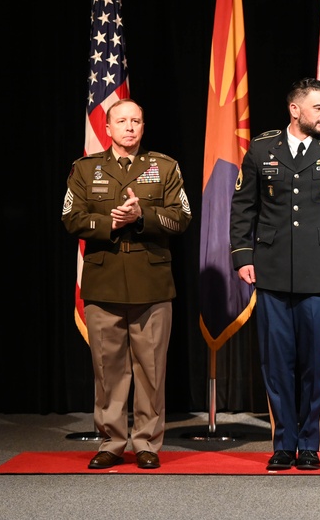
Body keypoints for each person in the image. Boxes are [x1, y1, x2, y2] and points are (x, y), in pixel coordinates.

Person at [230, 78, 320, 471]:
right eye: (318, 108)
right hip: (271, 270)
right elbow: (243, 207)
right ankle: (282, 443)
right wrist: (243, 256)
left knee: (312, 363)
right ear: (295, 110)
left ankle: (308, 443)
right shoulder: (262, 148)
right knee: (276, 363)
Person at [61, 98, 192, 470]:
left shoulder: (164, 167)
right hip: (103, 284)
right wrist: (111, 224)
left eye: (136, 121)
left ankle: (147, 442)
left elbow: (181, 218)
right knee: (109, 369)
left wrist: (141, 217)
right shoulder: (86, 169)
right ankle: (112, 442)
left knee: (151, 369)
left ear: (143, 127)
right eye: (122, 121)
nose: (130, 127)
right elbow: (71, 219)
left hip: (152, 283)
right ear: (108, 127)